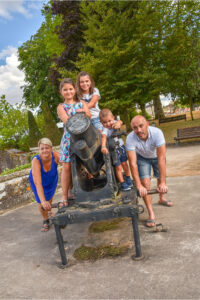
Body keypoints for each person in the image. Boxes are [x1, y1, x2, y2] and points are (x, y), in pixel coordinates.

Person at [126, 115, 173, 228]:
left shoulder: (157, 133)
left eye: (141, 126)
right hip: (142, 158)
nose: (139, 130)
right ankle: (151, 213)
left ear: (147, 124)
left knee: (160, 178)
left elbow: (161, 158)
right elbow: (132, 164)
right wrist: (139, 186)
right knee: (145, 184)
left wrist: (162, 182)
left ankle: (161, 198)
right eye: (135, 128)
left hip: (157, 157)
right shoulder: (130, 138)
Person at [57, 78, 91, 206]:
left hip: (83, 137)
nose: (68, 92)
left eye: (70, 89)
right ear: (61, 92)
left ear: (75, 90)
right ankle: (64, 196)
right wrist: (80, 115)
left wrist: (84, 112)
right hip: (68, 139)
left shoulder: (81, 102)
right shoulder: (61, 107)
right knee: (66, 167)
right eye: (65, 90)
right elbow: (67, 121)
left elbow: (89, 115)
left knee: (87, 162)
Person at [29, 138, 60, 232]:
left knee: (49, 197)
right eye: (42, 148)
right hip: (38, 181)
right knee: (41, 201)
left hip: (51, 178)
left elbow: (67, 164)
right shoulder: (36, 160)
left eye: (47, 148)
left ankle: (49, 210)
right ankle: (45, 219)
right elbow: (38, 183)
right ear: (39, 149)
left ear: (51, 148)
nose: (44, 150)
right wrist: (43, 201)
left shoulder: (55, 155)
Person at [99, 108, 133, 191]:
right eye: (104, 122)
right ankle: (122, 183)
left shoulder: (115, 123)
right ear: (101, 123)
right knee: (118, 167)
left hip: (121, 147)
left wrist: (119, 122)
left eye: (109, 121)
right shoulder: (105, 129)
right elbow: (103, 137)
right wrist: (103, 146)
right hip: (113, 150)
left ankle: (128, 178)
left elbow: (120, 122)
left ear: (113, 118)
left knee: (125, 163)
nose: (108, 124)